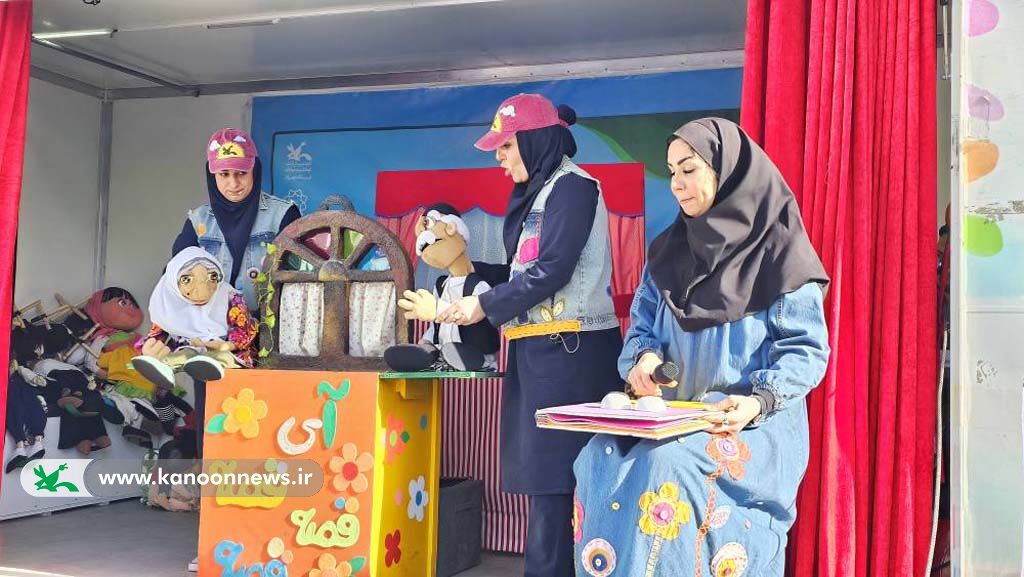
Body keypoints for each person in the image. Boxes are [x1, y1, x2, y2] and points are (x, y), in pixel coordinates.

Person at [570, 118, 831, 576]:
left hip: (748, 426)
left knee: (666, 466)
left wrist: (756, 401)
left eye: (688, 170)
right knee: (597, 456)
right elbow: (642, 329)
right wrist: (644, 361)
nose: (677, 184)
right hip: (673, 419)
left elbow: (806, 350)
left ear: (725, 170)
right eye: (672, 172)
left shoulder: (779, 251)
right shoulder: (668, 252)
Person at [438, 93, 623, 576]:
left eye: (505, 145)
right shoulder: (539, 192)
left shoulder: (573, 188)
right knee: (545, 485)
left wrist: (483, 305)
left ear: (536, 139)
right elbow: (525, 271)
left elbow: (554, 268)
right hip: (538, 353)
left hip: (571, 355)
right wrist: (468, 270)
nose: (499, 158)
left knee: (557, 487)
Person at [172, 127, 299, 573]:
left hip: (269, 346)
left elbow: (299, 279)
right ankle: (215, 539)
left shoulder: (283, 214)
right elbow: (176, 281)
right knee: (217, 439)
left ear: (255, 171)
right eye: (224, 174)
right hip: (212, 348)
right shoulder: (197, 221)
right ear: (212, 174)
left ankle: (270, 539)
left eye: (241, 173)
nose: (233, 183)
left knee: (268, 439)